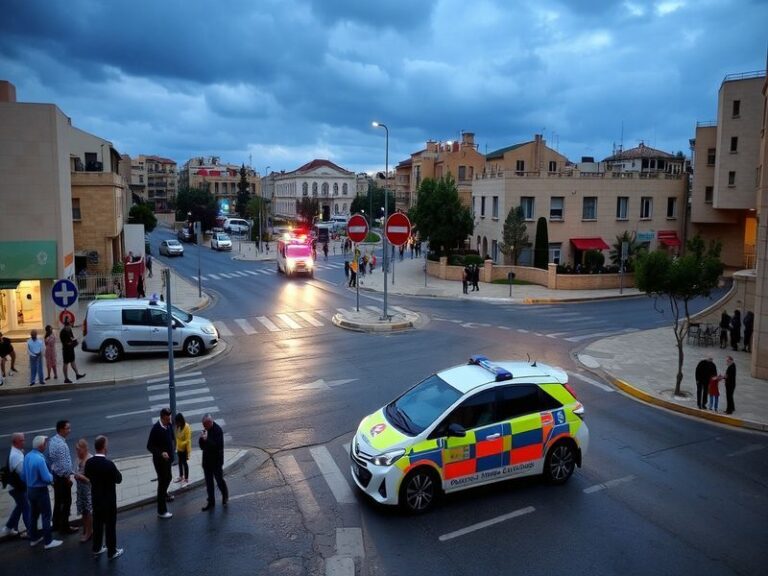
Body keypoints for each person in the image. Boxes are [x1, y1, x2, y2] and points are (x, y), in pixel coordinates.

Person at [85, 435, 123, 560]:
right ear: (104, 447)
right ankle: (112, 551)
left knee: (98, 524)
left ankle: (97, 548)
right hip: (109, 500)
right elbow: (119, 479)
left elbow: (88, 476)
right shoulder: (109, 464)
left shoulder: (89, 463)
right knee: (110, 526)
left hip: (96, 498)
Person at [23, 435, 62, 549]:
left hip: (30, 489)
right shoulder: (40, 459)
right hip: (40, 491)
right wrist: (52, 475)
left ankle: (33, 538)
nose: (46, 445)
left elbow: (23, 475)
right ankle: (48, 541)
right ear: (41, 446)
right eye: (45, 443)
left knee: (33, 515)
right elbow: (47, 478)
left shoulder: (28, 456)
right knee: (46, 515)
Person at [47, 420, 77, 535]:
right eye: (67, 428)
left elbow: (52, 460)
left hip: (56, 475)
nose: (69, 430)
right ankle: (65, 527)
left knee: (58, 501)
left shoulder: (53, 440)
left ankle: (55, 524)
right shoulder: (62, 445)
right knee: (66, 502)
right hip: (62, 478)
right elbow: (64, 465)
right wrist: (68, 478)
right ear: (61, 429)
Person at [147, 408, 174, 519]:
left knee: (168, 478)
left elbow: (171, 437)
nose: (169, 421)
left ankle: (164, 495)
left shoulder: (168, 425)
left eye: (170, 418)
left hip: (167, 460)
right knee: (163, 482)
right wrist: (161, 453)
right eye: (167, 419)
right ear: (162, 418)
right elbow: (149, 446)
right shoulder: (156, 429)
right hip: (160, 461)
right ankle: (161, 511)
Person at [2, 432, 30, 538]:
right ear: (16, 442)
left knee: (20, 506)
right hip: (17, 488)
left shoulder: (16, 452)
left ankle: (8, 528)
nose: (24, 441)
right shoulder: (15, 456)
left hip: (15, 487)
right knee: (26, 507)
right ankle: (31, 532)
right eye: (22, 440)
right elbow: (23, 474)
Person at [199, 414, 229, 511]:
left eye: (205, 425)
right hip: (207, 462)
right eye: (203, 425)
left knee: (219, 480)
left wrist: (207, 439)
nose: (204, 427)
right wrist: (202, 439)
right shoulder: (205, 431)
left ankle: (225, 494)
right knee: (209, 483)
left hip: (216, 462)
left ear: (209, 422)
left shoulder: (218, 430)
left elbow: (217, 447)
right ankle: (211, 502)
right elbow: (201, 447)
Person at [74, 438, 93, 543]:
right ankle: (87, 529)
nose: (77, 452)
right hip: (81, 490)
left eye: (78, 449)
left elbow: (93, 480)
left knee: (88, 511)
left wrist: (81, 477)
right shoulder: (78, 459)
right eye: (76, 449)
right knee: (83, 511)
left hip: (88, 491)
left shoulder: (90, 460)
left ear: (85, 449)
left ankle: (89, 532)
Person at [59, 317, 85, 384]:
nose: (71, 325)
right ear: (67, 324)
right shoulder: (63, 332)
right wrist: (74, 343)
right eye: (70, 323)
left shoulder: (69, 329)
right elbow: (66, 343)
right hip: (66, 350)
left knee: (73, 362)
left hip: (71, 349)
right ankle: (66, 378)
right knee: (66, 363)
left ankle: (77, 374)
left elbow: (72, 338)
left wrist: (76, 340)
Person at [174, 413, 191, 487]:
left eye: (177, 422)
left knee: (185, 463)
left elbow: (188, 440)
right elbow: (177, 437)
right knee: (180, 462)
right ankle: (181, 476)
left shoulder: (186, 427)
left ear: (181, 421)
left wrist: (181, 444)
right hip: (179, 448)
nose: (176, 423)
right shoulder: (178, 427)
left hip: (184, 449)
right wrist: (177, 446)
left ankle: (186, 479)